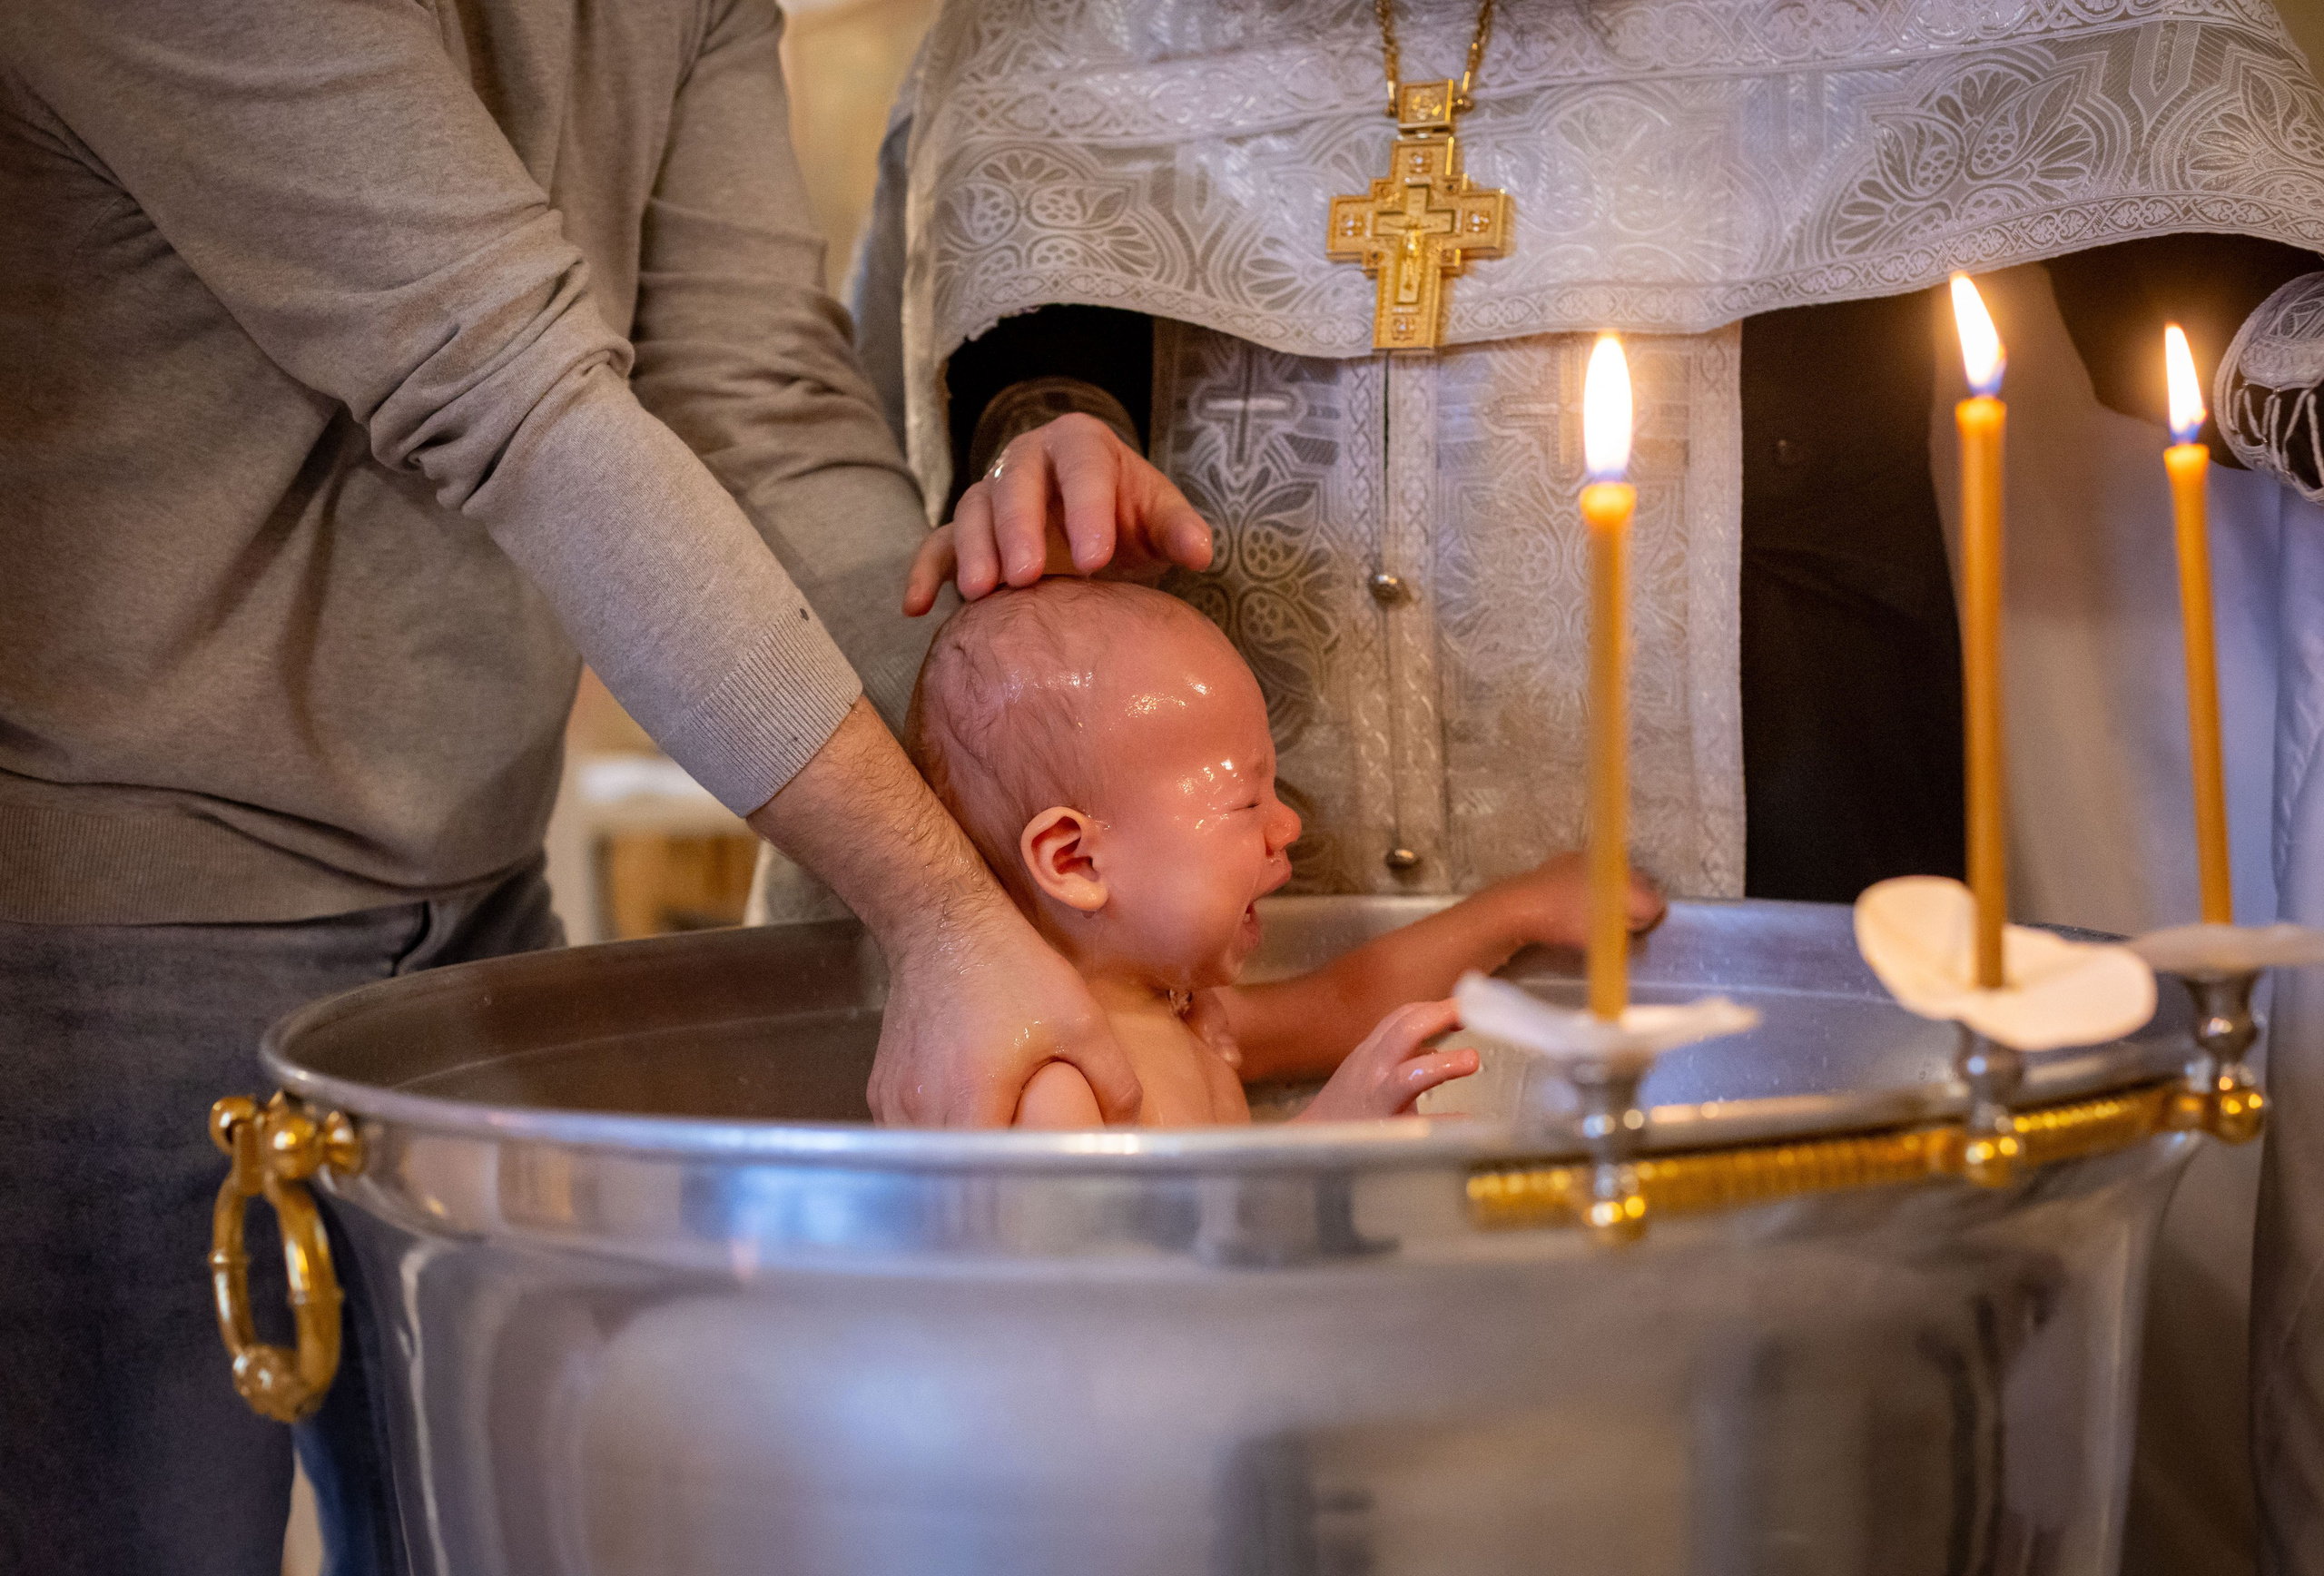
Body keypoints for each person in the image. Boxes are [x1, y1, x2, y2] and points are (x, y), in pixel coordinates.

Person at [846, 5, 2324, 1571]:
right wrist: (1048, 418)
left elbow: (2132, 104)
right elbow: (1042, 216)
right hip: (1222, 1363)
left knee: (1786, 1445)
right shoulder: (1118, 1044)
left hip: (1783, 789)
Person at [0, 1, 1150, 1571]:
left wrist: (1029, 784)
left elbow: (760, 401)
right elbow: (512, 398)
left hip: (474, 893)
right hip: (111, 925)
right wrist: (943, 905)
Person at [906, 578, 1666, 1126]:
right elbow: (1138, 1297)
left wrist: (1518, 909)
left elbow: (1346, 1002)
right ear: (1076, 862)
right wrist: (1330, 1138)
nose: (1288, 826)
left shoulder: (1180, 1009)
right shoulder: (1056, 1084)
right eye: (1246, 801)